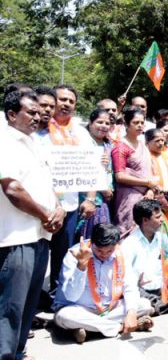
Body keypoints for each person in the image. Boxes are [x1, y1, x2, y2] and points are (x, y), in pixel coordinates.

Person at [1, 88, 64, 360]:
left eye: (39, 113)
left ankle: (18, 352)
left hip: (41, 234)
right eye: (31, 112)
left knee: (27, 300)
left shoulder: (34, 143)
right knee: (10, 302)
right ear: (12, 114)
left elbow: (47, 183)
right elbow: (12, 189)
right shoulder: (5, 142)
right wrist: (45, 213)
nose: (38, 116)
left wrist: (58, 209)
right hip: (17, 236)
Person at [53, 223, 154, 343]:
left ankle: (91, 328)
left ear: (116, 245)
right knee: (64, 316)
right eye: (100, 251)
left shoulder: (121, 253)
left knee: (144, 304)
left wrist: (131, 313)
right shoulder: (75, 253)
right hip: (81, 308)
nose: (105, 255)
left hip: (110, 308)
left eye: (109, 251)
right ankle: (120, 327)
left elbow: (129, 285)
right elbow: (71, 296)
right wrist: (81, 266)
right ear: (92, 243)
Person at [37, 85, 92, 297]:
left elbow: (91, 167)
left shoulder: (80, 133)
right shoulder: (38, 131)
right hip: (40, 207)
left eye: (71, 101)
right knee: (39, 255)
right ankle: (34, 300)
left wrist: (89, 199)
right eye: (62, 99)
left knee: (63, 254)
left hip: (69, 205)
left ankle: (57, 296)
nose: (66, 104)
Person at [120, 200, 168, 315]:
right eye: (158, 217)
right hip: (141, 290)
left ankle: (158, 307)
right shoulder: (129, 243)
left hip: (162, 288)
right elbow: (123, 276)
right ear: (145, 220)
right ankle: (165, 306)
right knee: (136, 295)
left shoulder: (163, 238)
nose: (162, 220)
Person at [112, 106, 158, 233]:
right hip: (128, 196)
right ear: (126, 124)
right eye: (135, 122)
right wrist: (147, 183)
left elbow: (149, 171)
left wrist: (150, 190)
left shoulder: (143, 145)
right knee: (127, 229)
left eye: (142, 122)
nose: (140, 125)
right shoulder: (121, 147)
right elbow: (120, 176)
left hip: (145, 196)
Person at [80, 109, 114, 239]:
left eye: (107, 123)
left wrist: (108, 188)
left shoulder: (108, 145)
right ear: (90, 123)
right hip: (87, 198)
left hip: (105, 198)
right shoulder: (83, 142)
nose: (104, 126)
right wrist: (103, 188)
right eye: (100, 122)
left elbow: (110, 170)